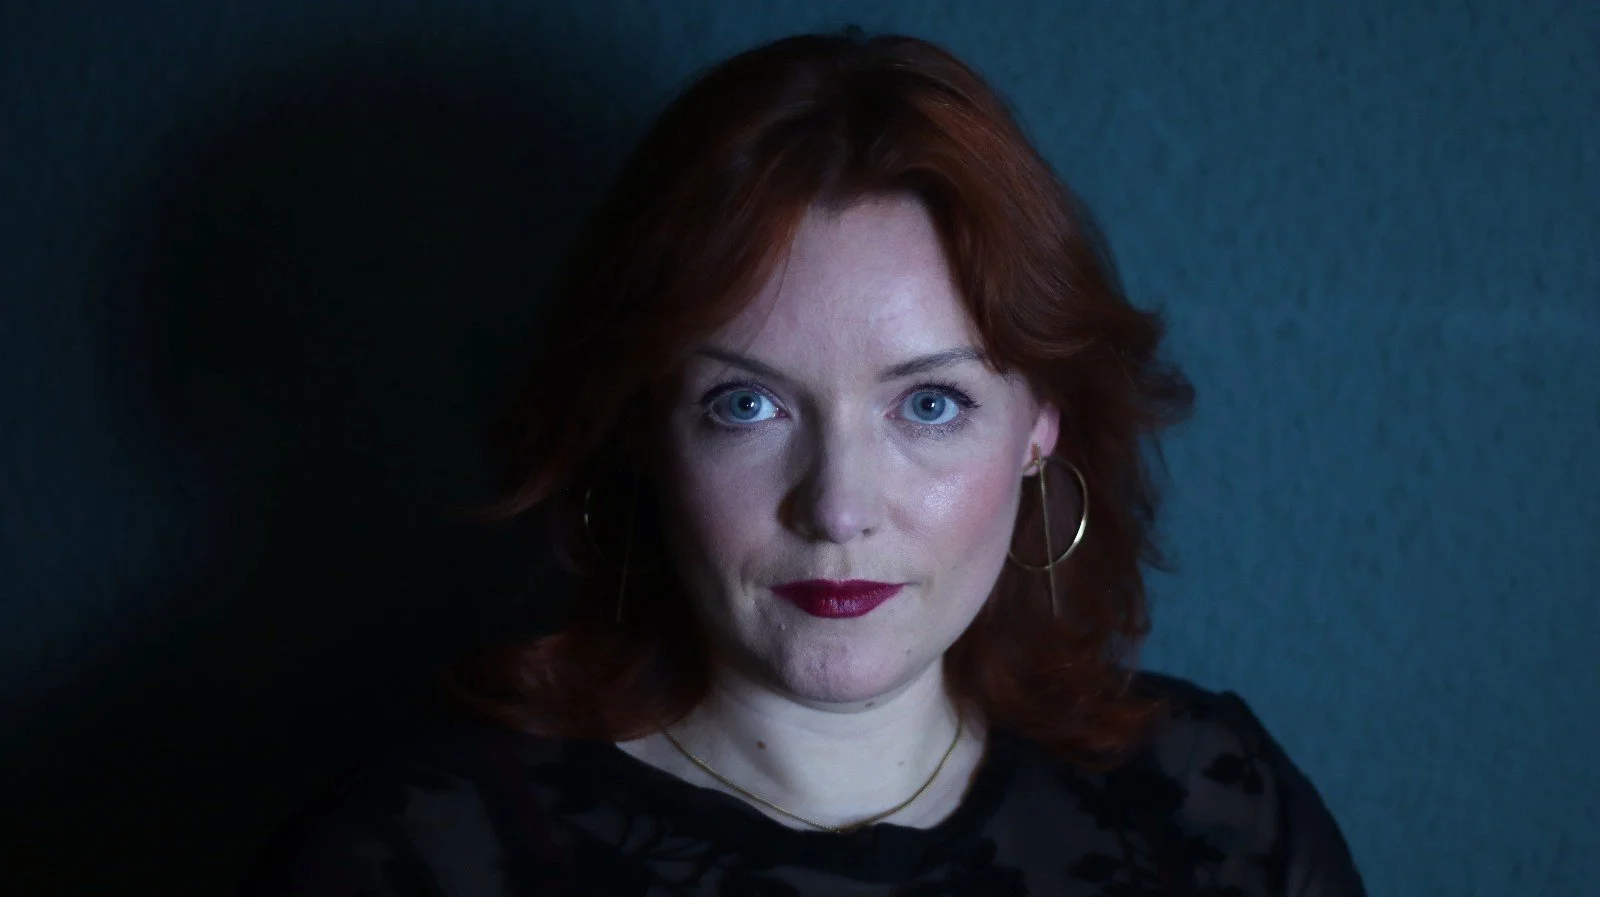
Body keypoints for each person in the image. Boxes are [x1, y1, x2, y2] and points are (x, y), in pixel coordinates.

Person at [245, 29, 1367, 896]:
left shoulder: (1215, 817)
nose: (837, 508)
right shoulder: (424, 862)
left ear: (1042, 426)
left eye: (929, 404)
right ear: (640, 427)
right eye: (747, 403)